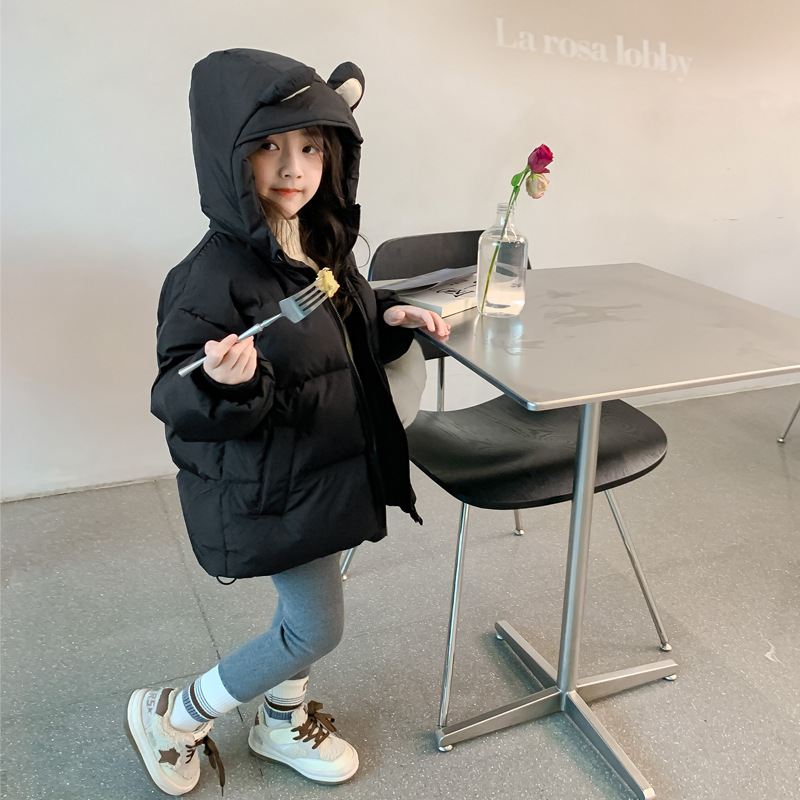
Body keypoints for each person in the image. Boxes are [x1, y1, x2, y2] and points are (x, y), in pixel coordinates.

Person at [125, 49, 450, 796]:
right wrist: (225, 381)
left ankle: (280, 717)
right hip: (275, 485)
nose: (293, 168)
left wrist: (390, 320)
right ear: (229, 154)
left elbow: (342, 330)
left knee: (311, 608)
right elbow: (175, 392)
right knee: (314, 627)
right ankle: (175, 713)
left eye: (310, 147)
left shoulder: (320, 238)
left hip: (327, 470)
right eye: (268, 145)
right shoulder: (209, 277)